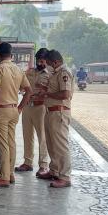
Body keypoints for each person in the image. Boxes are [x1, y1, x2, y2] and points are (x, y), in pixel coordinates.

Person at [0, 42, 32, 187]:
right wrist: (20, 108)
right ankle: (10, 173)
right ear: (11, 55)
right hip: (14, 110)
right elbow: (29, 91)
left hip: (1, 109)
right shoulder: (19, 70)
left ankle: (3, 176)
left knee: (3, 144)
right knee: (11, 142)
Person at [37, 50, 74, 188]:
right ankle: (54, 170)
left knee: (61, 145)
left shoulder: (64, 73)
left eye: (48, 63)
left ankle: (65, 176)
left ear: (55, 62)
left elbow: (65, 93)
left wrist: (47, 93)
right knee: (51, 144)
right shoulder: (55, 73)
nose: (46, 66)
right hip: (50, 112)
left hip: (59, 113)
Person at [15, 48, 49, 176]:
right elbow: (22, 87)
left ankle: (43, 165)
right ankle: (28, 162)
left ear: (47, 61)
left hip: (41, 108)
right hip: (28, 107)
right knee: (27, 135)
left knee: (42, 137)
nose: (40, 63)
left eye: (42, 61)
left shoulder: (50, 74)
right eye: (38, 60)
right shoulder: (29, 72)